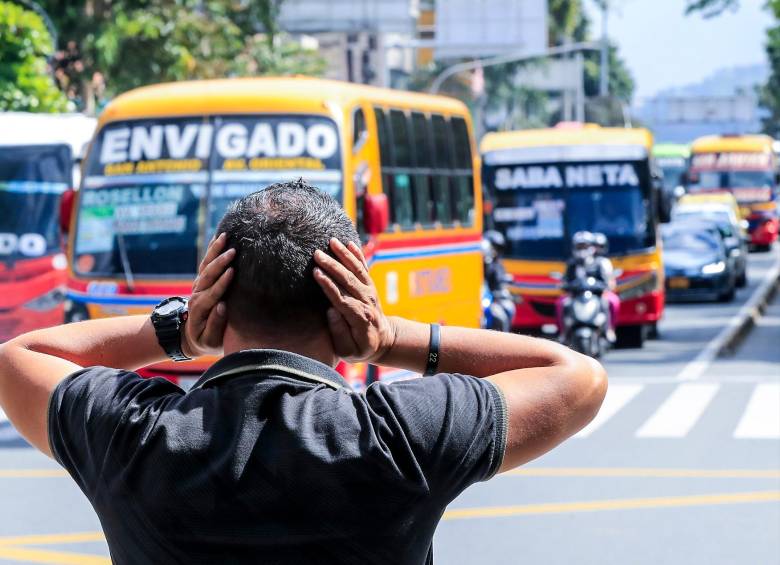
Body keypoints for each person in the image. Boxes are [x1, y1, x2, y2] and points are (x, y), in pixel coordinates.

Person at [0, 180, 606, 564]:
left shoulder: (133, 434)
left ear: (217, 300)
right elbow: (576, 375)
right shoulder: (398, 438)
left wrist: (179, 331)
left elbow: (18, 358)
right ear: (348, 306)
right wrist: (390, 337)